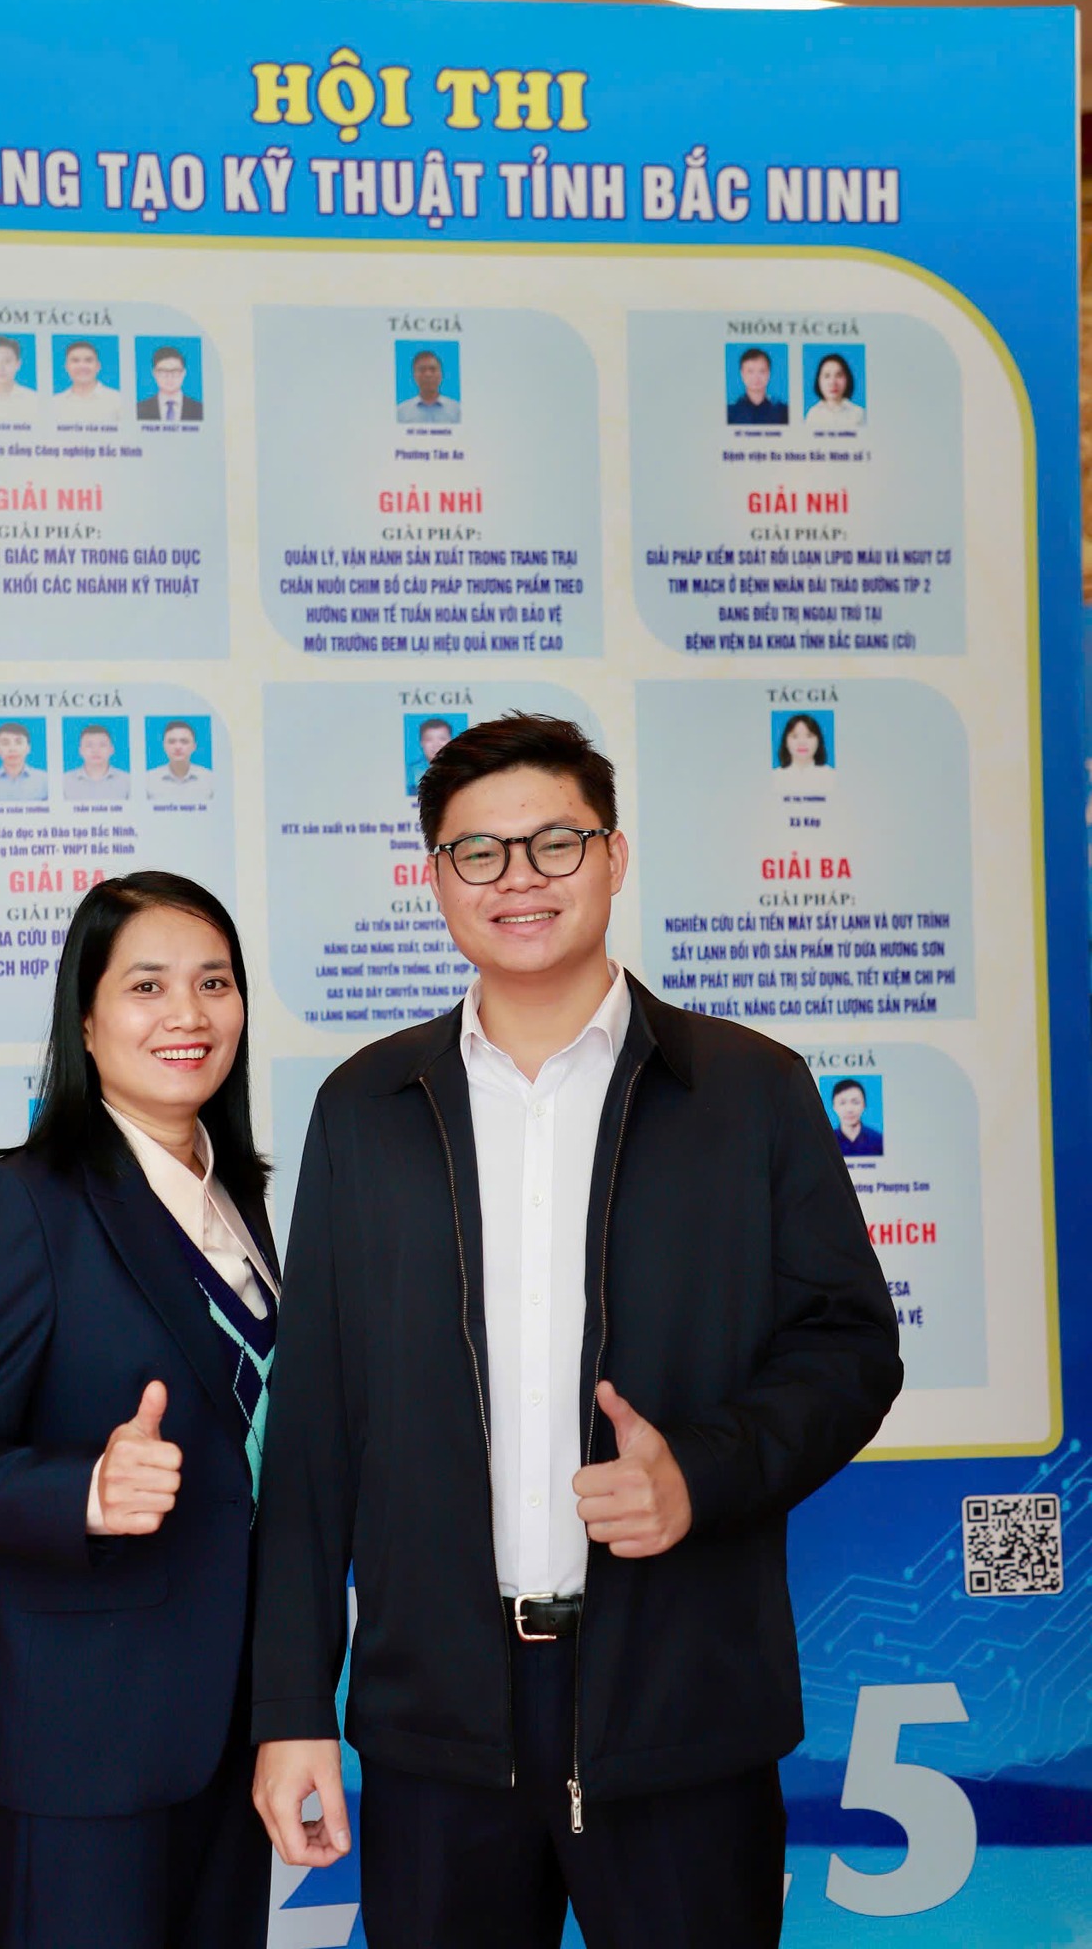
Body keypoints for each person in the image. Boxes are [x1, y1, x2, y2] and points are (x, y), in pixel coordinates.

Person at [252, 711, 901, 1949]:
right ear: (435, 878)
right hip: (438, 1721)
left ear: (613, 855)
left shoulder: (748, 1090)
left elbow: (850, 1344)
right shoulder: (367, 1107)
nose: (520, 878)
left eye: (555, 842)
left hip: (680, 1710)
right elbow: (315, 1429)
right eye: (479, 852)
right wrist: (291, 1705)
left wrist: (702, 1470)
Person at [0, 871, 278, 1949]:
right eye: (146, 985)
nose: (187, 1013)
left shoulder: (236, 1199)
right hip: (78, 1737)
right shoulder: (19, 1202)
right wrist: (88, 1492)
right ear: (86, 1021)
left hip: (226, 1725)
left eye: (214, 982)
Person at [0, 722, 49, 804]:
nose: (12, 749)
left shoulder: (45, 780)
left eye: (18, 742)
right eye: (5, 743)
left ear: (28, 748)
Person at [147, 721, 213, 803]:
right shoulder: (148, 780)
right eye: (172, 742)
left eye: (184, 741)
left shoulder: (210, 779)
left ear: (194, 746)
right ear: (164, 746)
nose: (178, 747)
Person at [64, 724, 131, 804]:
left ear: (111, 750)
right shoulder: (64, 782)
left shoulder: (128, 781)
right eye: (89, 745)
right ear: (80, 751)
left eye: (102, 745)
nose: (96, 750)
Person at [137, 346, 204, 424]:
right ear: (154, 373)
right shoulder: (139, 410)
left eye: (175, 371)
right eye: (163, 371)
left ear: (184, 373)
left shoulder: (200, 410)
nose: (169, 377)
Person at [54, 340, 121, 416]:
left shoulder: (118, 400)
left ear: (98, 366)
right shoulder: (55, 403)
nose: (82, 366)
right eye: (75, 361)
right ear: (66, 367)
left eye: (88, 360)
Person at [773, 711, 834, 794]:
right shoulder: (774, 777)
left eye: (809, 736)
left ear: (818, 741)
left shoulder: (832, 776)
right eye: (795, 736)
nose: (802, 742)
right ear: (785, 742)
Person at [727, 346, 788, 426]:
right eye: (750, 371)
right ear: (742, 374)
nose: (756, 377)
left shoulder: (782, 411)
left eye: (762, 371)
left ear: (768, 374)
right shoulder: (730, 412)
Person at [804, 352, 865, 432]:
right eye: (827, 376)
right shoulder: (813, 415)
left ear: (847, 379)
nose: (833, 382)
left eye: (839, 375)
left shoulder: (859, 414)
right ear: (818, 381)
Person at [397, 348, 460, 424]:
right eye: (422, 370)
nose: (428, 374)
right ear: (414, 376)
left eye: (433, 369)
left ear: (441, 375)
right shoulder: (401, 412)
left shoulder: (457, 410)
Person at [830, 1078, 884, 1158]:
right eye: (842, 1103)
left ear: (864, 1105)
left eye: (855, 1102)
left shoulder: (879, 1140)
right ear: (834, 1107)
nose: (849, 1109)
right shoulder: (827, 1141)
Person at [405, 715, 456, 794]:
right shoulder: (411, 771)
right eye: (429, 739)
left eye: (442, 739)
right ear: (421, 743)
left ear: (451, 741)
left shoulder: (462, 769)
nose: (436, 745)